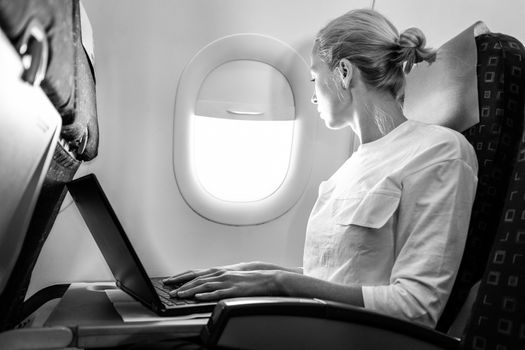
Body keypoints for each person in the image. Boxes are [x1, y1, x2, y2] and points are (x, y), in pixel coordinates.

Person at [163, 8, 478, 328]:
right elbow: (339, 280)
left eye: (314, 79)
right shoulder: (351, 167)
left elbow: (415, 308)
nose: (313, 98)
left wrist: (279, 283)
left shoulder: (439, 151)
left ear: (344, 71)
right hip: (319, 329)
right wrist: (259, 271)